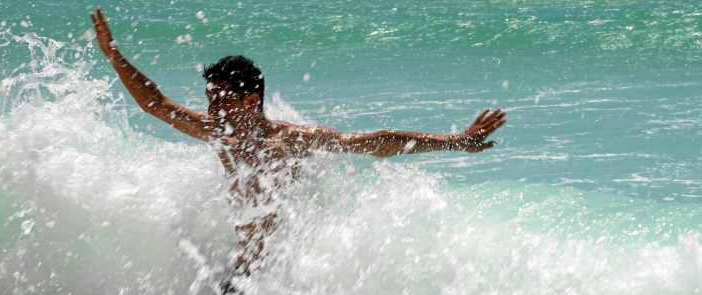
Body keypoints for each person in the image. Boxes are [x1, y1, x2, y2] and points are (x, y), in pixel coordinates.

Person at [90, 8, 506, 272]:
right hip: (243, 268)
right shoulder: (219, 135)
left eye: (221, 99)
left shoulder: (291, 141)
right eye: (208, 99)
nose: (212, 109)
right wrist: (114, 56)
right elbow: (155, 103)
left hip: (284, 273)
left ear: (251, 99)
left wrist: (456, 142)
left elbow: (375, 142)